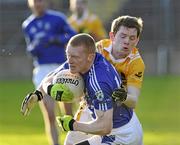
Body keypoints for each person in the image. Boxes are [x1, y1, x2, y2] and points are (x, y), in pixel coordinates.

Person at [21, 33, 143, 145]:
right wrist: (39, 93)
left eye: (74, 57)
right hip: (105, 121)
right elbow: (50, 77)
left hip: (121, 134)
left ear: (90, 57)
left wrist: (73, 125)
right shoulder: (79, 61)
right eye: (68, 55)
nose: (69, 61)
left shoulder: (99, 82)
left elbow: (105, 127)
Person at [64, 15, 145, 144]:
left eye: (132, 38)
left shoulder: (136, 63)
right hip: (90, 106)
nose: (127, 42)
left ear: (137, 41)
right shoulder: (100, 48)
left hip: (118, 117)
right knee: (70, 143)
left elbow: (133, 101)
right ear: (112, 36)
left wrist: (123, 97)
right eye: (123, 36)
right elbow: (76, 65)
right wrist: (41, 91)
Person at [21, 0, 76, 145]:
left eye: (41, 0)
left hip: (61, 68)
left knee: (68, 112)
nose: (38, 4)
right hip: (42, 70)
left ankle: (74, 140)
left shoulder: (58, 18)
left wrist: (54, 39)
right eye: (35, 1)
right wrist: (34, 48)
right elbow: (30, 49)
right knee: (50, 114)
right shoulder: (28, 24)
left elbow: (73, 36)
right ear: (30, 3)